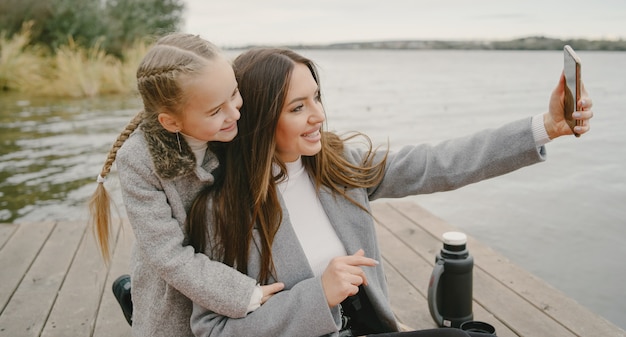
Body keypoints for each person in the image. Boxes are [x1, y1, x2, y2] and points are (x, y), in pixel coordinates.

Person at [187, 47, 593, 337]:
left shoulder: (338, 165)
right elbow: (212, 330)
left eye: (317, 98)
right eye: (297, 107)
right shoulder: (220, 211)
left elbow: (438, 164)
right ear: (258, 118)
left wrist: (545, 127)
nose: (318, 115)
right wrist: (317, 297)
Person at [88, 34, 283, 337]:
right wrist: (244, 295)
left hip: (229, 258)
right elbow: (169, 256)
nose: (234, 113)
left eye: (234, 93)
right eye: (215, 111)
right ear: (172, 122)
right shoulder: (139, 161)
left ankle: (129, 296)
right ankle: (133, 299)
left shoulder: (232, 125)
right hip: (174, 287)